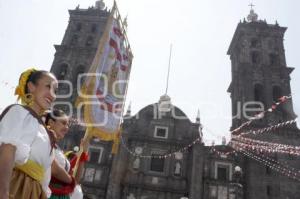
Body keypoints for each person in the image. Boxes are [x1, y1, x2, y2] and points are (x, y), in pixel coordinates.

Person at [0, 68, 73, 199]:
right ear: (31, 87)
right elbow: (6, 153)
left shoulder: (45, 131)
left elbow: (46, 173)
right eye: (48, 87)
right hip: (15, 187)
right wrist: (3, 192)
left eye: (55, 91)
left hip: (33, 192)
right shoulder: (19, 113)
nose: (52, 94)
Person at [45, 109, 89, 199]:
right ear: (51, 122)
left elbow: (76, 179)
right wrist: (71, 181)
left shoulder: (59, 151)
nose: (67, 127)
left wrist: (83, 151)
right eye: (63, 123)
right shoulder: (44, 141)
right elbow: (55, 169)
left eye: (68, 124)